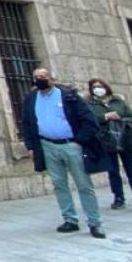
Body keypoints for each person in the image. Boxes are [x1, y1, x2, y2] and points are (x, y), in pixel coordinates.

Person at [22, 68, 106, 238]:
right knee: (59, 184)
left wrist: (79, 141)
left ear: (52, 79)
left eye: (43, 77)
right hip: (47, 145)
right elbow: (27, 124)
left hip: (70, 145)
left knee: (83, 184)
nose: (39, 80)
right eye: (36, 77)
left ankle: (94, 222)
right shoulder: (31, 98)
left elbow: (89, 120)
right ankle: (70, 219)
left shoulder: (68, 96)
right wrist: (31, 146)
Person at [85, 78, 132, 212]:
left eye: (100, 86)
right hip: (106, 141)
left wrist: (121, 118)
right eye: (94, 87)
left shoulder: (118, 101)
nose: (98, 89)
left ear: (106, 87)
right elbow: (90, 120)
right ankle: (118, 198)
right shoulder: (90, 104)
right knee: (113, 171)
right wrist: (106, 117)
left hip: (124, 140)